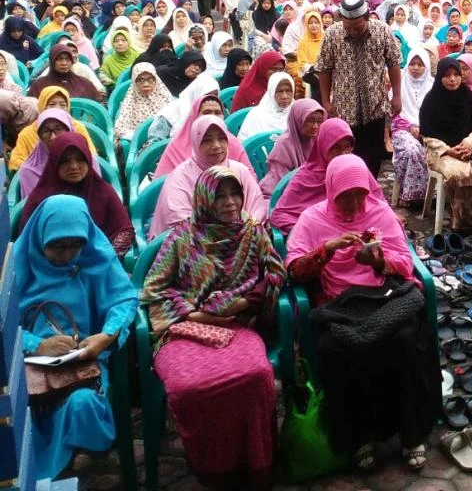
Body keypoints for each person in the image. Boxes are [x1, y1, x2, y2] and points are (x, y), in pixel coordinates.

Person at [285, 155, 439, 470]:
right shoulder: (313, 220)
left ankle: (411, 434)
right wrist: (327, 250)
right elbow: (295, 271)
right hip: (339, 303)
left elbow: (404, 262)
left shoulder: (380, 213)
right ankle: (358, 438)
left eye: (359, 194)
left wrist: (379, 262)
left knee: (405, 338)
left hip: (383, 297)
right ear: (331, 192)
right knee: (334, 347)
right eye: (345, 196)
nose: (354, 203)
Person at [141, 166, 284, 488]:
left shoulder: (252, 233)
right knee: (189, 388)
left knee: (256, 376)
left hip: (237, 327)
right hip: (184, 330)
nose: (230, 202)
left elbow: (275, 273)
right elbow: (153, 290)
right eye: (219, 195)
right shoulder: (183, 237)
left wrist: (244, 303)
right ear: (204, 198)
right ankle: (214, 472)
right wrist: (196, 315)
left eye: (235, 193)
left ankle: (254, 465)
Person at [15, 195, 139, 479]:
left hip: (84, 365)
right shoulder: (19, 270)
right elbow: (5, 329)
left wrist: (105, 336)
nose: (67, 255)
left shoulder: (93, 259)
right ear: (40, 239)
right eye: (57, 246)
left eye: (75, 245)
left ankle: (79, 457)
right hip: (27, 370)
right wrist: (37, 345)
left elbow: (124, 300)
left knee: (84, 404)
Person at [316, 0, 401, 177]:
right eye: (348, 27)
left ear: (368, 18)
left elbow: (394, 63)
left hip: (375, 105)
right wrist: (326, 101)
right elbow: (324, 69)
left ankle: (369, 190)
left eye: (357, 27)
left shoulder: (383, 31)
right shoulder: (332, 34)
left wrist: (397, 95)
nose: (353, 31)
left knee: (374, 154)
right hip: (345, 108)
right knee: (348, 154)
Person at [150, 116, 266, 238]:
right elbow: (178, 221)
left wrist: (240, 235)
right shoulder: (180, 178)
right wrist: (221, 237)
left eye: (221, 138)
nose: (216, 145)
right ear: (196, 142)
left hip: (244, 240)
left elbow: (257, 209)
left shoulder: (240, 171)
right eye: (206, 140)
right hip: (196, 248)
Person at [418, 56, 472, 229]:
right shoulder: (431, 101)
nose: (453, 79)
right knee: (460, 174)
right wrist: (449, 150)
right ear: (439, 77)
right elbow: (427, 135)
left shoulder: (468, 97)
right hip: (441, 152)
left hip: (470, 148)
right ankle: (460, 224)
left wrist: (469, 144)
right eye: (447, 75)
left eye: (456, 74)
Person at [21, 132, 132, 256]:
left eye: (80, 160)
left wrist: (104, 258)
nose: (74, 166)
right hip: (50, 268)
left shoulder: (103, 192)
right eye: (65, 161)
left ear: (88, 160)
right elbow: (28, 240)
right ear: (55, 163)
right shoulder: (41, 198)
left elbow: (124, 230)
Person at [270, 119, 377, 233]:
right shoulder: (305, 176)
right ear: (323, 146)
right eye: (336, 148)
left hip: (358, 234)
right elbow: (280, 214)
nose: (343, 154)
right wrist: (316, 231)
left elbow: (378, 204)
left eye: (347, 147)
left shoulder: (356, 170)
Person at [10, 86, 97, 170]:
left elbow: (91, 156)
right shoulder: (28, 133)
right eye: (51, 104)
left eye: (63, 105)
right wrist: (35, 169)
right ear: (41, 106)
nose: (58, 108)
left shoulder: (78, 128)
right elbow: (16, 161)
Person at [390, 49, 434, 205]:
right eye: (412, 64)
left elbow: (438, 114)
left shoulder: (433, 86)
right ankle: (412, 193)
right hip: (403, 130)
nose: (415, 68)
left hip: (429, 131)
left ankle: (425, 192)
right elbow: (393, 114)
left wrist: (424, 129)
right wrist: (410, 127)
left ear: (426, 66)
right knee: (412, 150)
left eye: (420, 65)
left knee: (429, 150)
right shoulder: (399, 85)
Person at [260, 99, 325, 197]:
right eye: (310, 121)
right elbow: (281, 184)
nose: (315, 126)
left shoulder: (318, 140)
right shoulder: (284, 145)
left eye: (320, 121)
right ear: (298, 119)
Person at [28, 44, 104, 101]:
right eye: (60, 59)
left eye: (67, 59)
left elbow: (97, 106)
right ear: (52, 61)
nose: (64, 63)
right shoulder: (39, 85)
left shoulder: (84, 83)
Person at [237, 72, 293, 140]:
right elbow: (248, 145)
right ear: (272, 92)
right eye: (280, 91)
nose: (284, 96)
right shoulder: (256, 115)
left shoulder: (297, 114)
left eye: (288, 91)